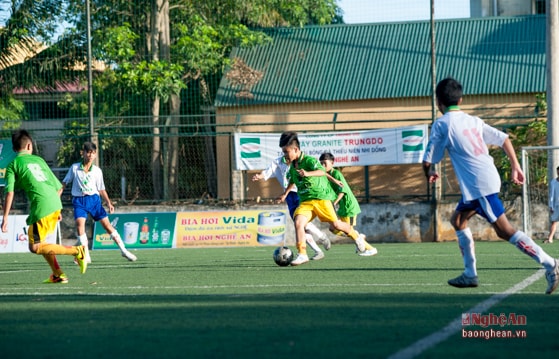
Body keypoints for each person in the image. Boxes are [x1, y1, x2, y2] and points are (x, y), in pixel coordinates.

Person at [422, 77, 559, 294]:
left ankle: (551, 264)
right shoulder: (473, 120)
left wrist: (429, 171)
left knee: (505, 231)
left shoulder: (442, 123)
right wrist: (515, 166)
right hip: (482, 181)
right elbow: (504, 139)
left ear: (438, 102)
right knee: (458, 220)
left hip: (479, 185)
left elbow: (428, 159)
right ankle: (470, 274)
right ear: (461, 99)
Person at [1, 129, 87, 283]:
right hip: (53, 203)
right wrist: (55, 208)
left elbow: (10, 193)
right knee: (41, 242)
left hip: (42, 207)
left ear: (14, 149)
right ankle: (58, 274)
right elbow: (58, 186)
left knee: (35, 247)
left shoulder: (13, 165)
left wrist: (5, 217)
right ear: (29, 146)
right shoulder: (39, 161)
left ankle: (77, 251)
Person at [279, 131, 370, 266]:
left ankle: (357, 237)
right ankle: (302, 254)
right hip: (306, 202)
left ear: (296, 149)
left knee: (336, 225)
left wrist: (308, 173)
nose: (285, 155)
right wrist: (285, 194)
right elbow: (292, 180)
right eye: (283, 152)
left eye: (286, 152)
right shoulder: (292, 166)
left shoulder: (309, 161)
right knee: (298, 222)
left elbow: (322, 171)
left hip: (321, 199)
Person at [62, 141, 137, 263]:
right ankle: (85, 254)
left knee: (107, 226)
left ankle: (124, 250)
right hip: (79, 201)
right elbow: (65, 182)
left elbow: (101, 189)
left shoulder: (97, 171)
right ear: (83, 153)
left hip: (94, 201)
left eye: (93, 153)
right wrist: (59, 192)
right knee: (80, 225)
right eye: (88, 152)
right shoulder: (75, 168)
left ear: (95, 154)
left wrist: (108, 202)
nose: (90, 155)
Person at [252, 155, 331, 260]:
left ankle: (321, 236)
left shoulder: (300, 160)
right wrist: (259, 176)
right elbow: (267, 171)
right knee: (299, 225)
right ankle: (318, 250)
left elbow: (318, 172)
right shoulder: (278, 162)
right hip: (289, 196)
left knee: (302, 222)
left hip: (301, 192)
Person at [319, 152, 377, 256]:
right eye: (321, 163)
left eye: (325, 163)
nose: (323, 166)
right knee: (333, 229)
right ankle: (358, 237)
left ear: (332, 163)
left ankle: (371, 249)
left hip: (348, 206)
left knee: (348, 230)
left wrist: (334, 203)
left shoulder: (336, 174)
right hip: (342, 207)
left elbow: (343, 190)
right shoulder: (327, 176)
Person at [545, 166, 559, 244]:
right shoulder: (553, 181)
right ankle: (550, 238)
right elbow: (552, 195)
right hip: (557, 206)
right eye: (557, 171)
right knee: (554, 221)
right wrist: (551, 206)